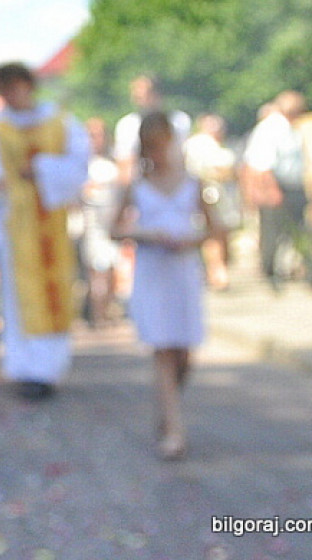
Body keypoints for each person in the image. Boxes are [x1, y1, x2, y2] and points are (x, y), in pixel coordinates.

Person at [0, 62, 89, 400]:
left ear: (28, 86)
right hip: (15, 226)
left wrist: (42, 169)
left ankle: (50, 367)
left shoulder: (60, 122)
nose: (11, 94)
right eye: (4, 88)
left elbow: (78, 167)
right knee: (18, 298)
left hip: (50, 221)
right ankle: (25, 368)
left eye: (15, 86)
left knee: (54, 290)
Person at [111, 111, 220, 460]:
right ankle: (175, 430)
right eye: (152, 147)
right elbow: (114, 230)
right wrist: (145, 233)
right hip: (152, 272)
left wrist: (191, 240)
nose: (158, 154)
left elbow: (215, 228)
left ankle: (166, 407)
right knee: (162, 349)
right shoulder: (136, 185)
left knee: (184, 354)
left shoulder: (194, 182)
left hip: (183, 273)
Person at [242, 90, 311, 291]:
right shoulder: (271, 128)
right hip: (275, 186)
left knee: (301, 232)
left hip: (293, 186)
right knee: (273, 233)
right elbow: (263, 165)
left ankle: (306, 271)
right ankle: (270, 272)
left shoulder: (292, 128)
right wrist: (272, 191)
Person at [183, 113, 240, 290]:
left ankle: (214, 270)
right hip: (210, 194)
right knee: (214, 233)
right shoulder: (201, 145)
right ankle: (217, 271)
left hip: (214, 194)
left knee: (216, 233)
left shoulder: (195, 145)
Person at [79, 117, 122, 326]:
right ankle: (98, 316)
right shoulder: (80, 165)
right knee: (97, 273)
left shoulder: (113, 164)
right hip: (91, 226)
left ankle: (106, 311)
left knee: (111, 271)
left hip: (111, 225)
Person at [113, 74, 191, 184]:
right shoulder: (127, 125)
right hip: (141, 185)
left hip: (172, 183)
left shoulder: (179, 121)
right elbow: (125, 164)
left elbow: (181, 159)